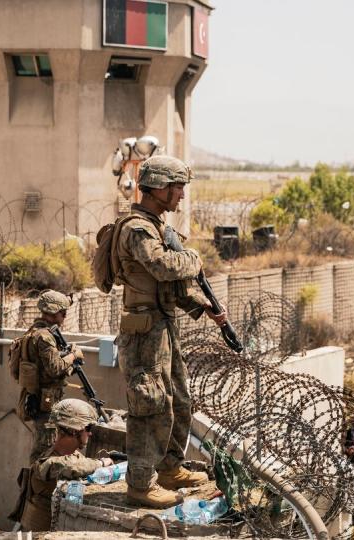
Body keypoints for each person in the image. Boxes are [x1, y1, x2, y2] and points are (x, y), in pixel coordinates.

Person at [112, 155, 229, 508]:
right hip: (143, 331)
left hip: (162, 327)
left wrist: (200, 305)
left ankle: (168, 468)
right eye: (177, 187)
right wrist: (194, 259)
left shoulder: (157, 225)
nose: (181, 195)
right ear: (160, 187)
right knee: (150, 404)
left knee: (178, 399)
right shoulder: (137, 228)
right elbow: (163, 267)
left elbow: (170, 287)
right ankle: (141, 485)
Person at [12, 399, 112, 531]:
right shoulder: (48, 463)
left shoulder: (75, 456)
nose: (90, 433)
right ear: (74, 430)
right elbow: (66, 466)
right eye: (88, 428)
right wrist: (100, 463)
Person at [15, 290, 85, 462]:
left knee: (43, 450)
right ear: (56, 313)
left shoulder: (33, 331)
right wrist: (74, 355)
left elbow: (44, 367)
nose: (65, 317)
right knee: (44, 452)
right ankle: (35, 487)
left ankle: (35, 485)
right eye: (63, 313)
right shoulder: (45, 337)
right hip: (46, 402)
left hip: (39, 398)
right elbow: (55, 368)